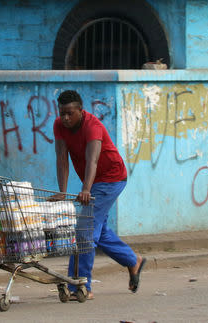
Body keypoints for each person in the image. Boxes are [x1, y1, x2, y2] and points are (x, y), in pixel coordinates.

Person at [50, 89, 146, 300]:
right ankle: (133, 260)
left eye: (70, 113)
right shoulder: (59, 125)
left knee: (85, 231)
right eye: (62, 113)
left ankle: (81, 286)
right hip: (95, 181)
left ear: (81, 111)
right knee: (97, 230)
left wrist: (85, 189)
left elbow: (92, 160)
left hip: (112, 178)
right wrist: (62, 192)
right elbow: (61, 159)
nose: (65, 118)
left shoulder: (92, 126)